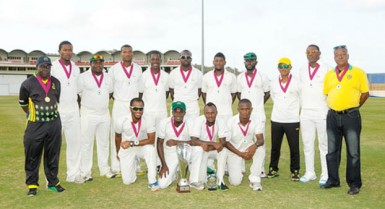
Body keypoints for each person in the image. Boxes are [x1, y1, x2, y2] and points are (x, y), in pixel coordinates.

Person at [322, 45, 369, 195]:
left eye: (343, 54)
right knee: (332, 151)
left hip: (351, 116)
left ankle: (354, 183)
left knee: (353, 152)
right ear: (334, 57)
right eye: (337, 54)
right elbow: (327, 94)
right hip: (332, 116)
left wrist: (353, 107)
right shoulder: (329, 74)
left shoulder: (358, 72)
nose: (340, 56)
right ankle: (333, 179)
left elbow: (365, 94)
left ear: (348, 55)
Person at [19, 56, 64, 196]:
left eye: (48, 66)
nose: (46, 69)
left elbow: (56, 100)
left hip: (54, 124)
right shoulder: (27, 83)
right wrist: (33, 115)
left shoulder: (56, 82)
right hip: (35, 124)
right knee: (32, 155)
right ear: (37, 67)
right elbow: (23, 104)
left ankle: (53, 183)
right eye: (43, 66)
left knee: (53, 154)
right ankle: (32, 185)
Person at [78, 54, 116, 181]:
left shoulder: (108, 78)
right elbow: (78, 94)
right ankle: (86, 172)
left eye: (100, 63)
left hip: (104, 114)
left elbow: (110, 93)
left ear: (103, 64)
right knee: (86, 144)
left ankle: (105, 169)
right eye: (95, 63)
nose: (98, 65)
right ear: (91, 64)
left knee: (104, 143)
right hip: (88, 114)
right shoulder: (83, 77)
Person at [51, 41, 83, 184]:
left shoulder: (76, 69)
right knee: (54, 145)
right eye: (65, 50)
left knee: (75, 144)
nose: (68, 52)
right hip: (58, 109)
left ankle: (74, 174)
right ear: (59, 51)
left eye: (70, 50)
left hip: (73, 110)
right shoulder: (53, 67)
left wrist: (79, 108)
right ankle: (51, 177)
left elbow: (79, 91)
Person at [298, 45, 330, 185]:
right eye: (308, 52)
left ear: (319, 54)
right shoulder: (301, 70)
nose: (311, 54)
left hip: (322, 111)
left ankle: (325, 173)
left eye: (313, 52)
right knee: (307, 144)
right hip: (305, 112)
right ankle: (310, 172)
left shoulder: (326, 68)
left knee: (323, 144)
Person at [109, 44, 143, 176]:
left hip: (133, 105)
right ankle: (117, 166)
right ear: (121, 54)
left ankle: (136, 165)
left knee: (135, 133)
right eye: (125, 52)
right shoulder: (114, 69)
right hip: (119, 104)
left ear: (132, 53)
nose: (127, 54)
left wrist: (136, 106)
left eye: (130, 52)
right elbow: (110, 91)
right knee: (117, 134)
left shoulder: (138, 69)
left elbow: (140, 90)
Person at [115, 97, 160, 191]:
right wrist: (118, 152)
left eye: (141, 109)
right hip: (127, 148)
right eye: (135, 108)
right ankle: (133, 163)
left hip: (140, 146)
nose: (138, 111)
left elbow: (151, 140)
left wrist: (132, 143)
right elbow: (118, 137)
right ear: (130, 108)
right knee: (128, 181)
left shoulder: (148, 119)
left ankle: (152, 181)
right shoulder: (121, 120)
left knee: (150, 149)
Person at [237, 52, 270, 178]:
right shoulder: (239, 77)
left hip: (258, 114)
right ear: (244, 62)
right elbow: (239, 95)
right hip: (244, 115)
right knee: (242, 139)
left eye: (252, 60)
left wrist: (258, 105)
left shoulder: (263, 76)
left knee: (260, 141)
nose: (249, 62)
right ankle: (241, 167)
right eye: (247, 60)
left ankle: (260, 169)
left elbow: (267, 93)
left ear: (256, 62)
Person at [157, 101, 204, 190]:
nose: (178, 114)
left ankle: (193, 180)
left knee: (198, 149)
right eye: (176, 111)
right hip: (170, 153)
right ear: (172, 112)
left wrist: (176, 142)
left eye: (181, 112)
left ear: (185, 113)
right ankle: (174, 173)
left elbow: (194, 141)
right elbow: (159, 143)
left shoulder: (190, 122)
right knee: (162, 184)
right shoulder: (164, 122)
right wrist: (163, 164)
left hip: (186, 151)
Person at [268, 57, 301, 181]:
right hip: (276, 118)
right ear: (278, 68)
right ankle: (273, 168)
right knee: (275, 146)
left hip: (292, 120)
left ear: (290, 67)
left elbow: (301, 99)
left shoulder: (297, 82)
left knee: (294, 147)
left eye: (286, 66)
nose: (283, 69)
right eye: (281, 66)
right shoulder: (274, 82)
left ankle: (295, 170)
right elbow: (273, 97)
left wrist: (293, 111)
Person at [226, 99, 265, 191]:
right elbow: (226, 143)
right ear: (238, 109)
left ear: (251, 109)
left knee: (260, 150)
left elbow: (261, 139)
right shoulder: (231, 121)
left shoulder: (256, 120)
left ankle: (255, 180)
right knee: (235, 182)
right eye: (242, 109)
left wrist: (255, 146)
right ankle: (233, 170)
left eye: (247, 109)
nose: (245, 112)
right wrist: (240, 154)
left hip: (248, 148)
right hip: (235, 151)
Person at [190, 102, 229, 190]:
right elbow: (193, 140)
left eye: (212, 113)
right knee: (202, 179)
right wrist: (213, 143)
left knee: (223, 151)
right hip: (201, 149)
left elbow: (223, 142)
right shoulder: (199, 120)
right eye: (207, 113)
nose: (210, 115)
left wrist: (211, 146)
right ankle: (194, 181)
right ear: (204, 113)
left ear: (216, 113)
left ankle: (220, 181)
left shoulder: (221, 121)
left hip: (210, 149)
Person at [202, 52, 237, 122]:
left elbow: (234, 93)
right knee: (212, 132)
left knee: (227, 132)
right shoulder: (206, 76)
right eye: (216, 61)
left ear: (225, 62)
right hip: (211, 113)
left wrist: (227, 103)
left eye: (221, 61)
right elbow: (203, 93)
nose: (218, 63)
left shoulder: (231, 76)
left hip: (226, 112)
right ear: (213, 62)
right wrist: (209, 106)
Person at [169, 50, 202, 121]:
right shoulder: (173, 73)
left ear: (191, 59)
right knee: (176, 128)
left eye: (188, 57)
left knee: (193, 129)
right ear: (180, 59)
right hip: (177, 104)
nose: (185, 59)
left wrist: (191, 99)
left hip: (192, 106)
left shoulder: (198, 73)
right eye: (183, 57)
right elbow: (171, 90)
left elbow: (199, 91)